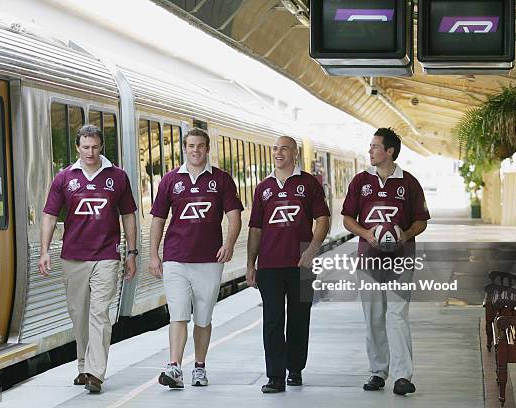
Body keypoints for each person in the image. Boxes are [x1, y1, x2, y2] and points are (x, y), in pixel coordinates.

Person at [38, 124, 137, 393]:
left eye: (94, 147)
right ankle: (83, 366)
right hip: (73, 257)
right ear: (77, 148)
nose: (90, 152)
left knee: (99, 313)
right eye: (85, 147)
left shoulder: (117, 177)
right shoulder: (64, 178)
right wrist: (44, 250)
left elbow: (128, 214)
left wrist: (131, 252)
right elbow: (49, 215)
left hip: (106, 255)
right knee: (79, 315)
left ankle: (95, 372)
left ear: (101, 146)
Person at [149, 127, 243, 389]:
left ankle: (199, 367)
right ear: (184, 148)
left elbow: (234, 215)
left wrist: (229, 244)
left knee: (203, 318)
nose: (195, 150)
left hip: (210, 260)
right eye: (191, 146)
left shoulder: (222, 180)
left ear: (207, 148)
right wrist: (153, 254)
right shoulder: (169, 180)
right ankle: (175, 367)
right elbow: (158, 218)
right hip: (176, 259)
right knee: (178, 314)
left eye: (200, 146)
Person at [342, 128, 429, 396]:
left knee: (397, 314)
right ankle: (378, 371)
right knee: (373, 317)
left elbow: (421, 221)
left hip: (400, 260)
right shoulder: (360, 181)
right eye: (370, 146)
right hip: (368, 259)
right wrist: (367, 233)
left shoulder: (409, 183)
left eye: (374, 146)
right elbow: (347, 218)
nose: (370, 150)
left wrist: (405, 235)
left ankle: (403, 376)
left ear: (389, 151)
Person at [246, 136, 330, 393]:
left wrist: (313, 249)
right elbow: (256, 229)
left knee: (299, 317)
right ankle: (275, 376)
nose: (278, 153)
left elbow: (323, 218)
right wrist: (251, 263)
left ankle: (295, 369)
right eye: (275, 149)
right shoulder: (263, 188)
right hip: (270, 266)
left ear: (295, 153)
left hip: (302, 265)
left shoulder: (309, 184)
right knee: (272, 319)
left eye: (284, 149)